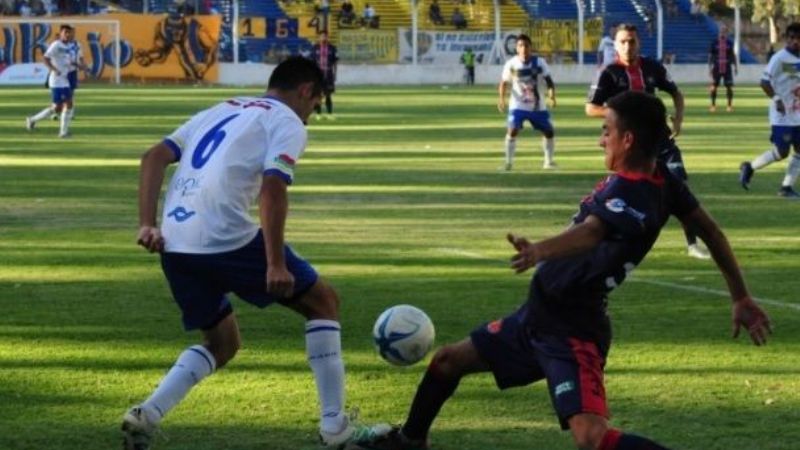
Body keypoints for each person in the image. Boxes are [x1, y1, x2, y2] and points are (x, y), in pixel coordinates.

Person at [351, 91, 772, 450]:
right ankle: (410, 441)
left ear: (628, 139)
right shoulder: (661, 181)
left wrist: (540, 250)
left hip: (572, 331)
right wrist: (739, 295)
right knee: (446, 362)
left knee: (590, 436)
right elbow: (713, 233)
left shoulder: (636, 191)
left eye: (606, 130)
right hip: (535, 317)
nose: (599, 138)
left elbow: (592, 233)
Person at [120, 57, 389, 450]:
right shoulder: (286, 122)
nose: (312, 116)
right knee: (324, 302)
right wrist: (276, 262)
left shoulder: (222, 108)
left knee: (222, 343)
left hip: (175, 242)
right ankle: (335, 428)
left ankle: (147, 415)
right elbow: (273, 189)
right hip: (223, 237)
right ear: (305, 92)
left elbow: (153, 157)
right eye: (315, 105)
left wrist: (148, 224)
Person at [586, 23, 710, 260]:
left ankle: (693, 244)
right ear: (615, 45)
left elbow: (676, 93)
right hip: (629, 146)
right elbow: (590, 108)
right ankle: (608, 239)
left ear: (638, 42)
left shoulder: (653, 67)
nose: (627, 46)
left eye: (632, 41)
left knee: (679, 185)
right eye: (622, 41)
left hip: (660, 140)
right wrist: (621, 114)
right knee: (628, 193)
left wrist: (679, 120)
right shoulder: (609, 72)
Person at [739, 22, 800, 198]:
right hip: (781, 114)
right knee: (782, 152)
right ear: (786, 39)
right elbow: (764, 82)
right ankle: (750, 167)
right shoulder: (779, 58)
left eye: (798, 38)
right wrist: (777, 99)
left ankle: (786, 187)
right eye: (792, 38)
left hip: (797, 112)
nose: (795, 41)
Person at [498, 33, 557, 171]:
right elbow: (504, 82)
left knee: (549, 132)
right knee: (512, 130)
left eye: (526, 45)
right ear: (517, 49)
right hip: (518, 105)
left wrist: (552, 96)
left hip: (537, 106)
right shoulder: (511, 64)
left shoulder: (540, 62)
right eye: (520, 45)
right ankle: (508, 163)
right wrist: (501, 98)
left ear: (531, 47)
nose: (523, 48)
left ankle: (548, 162)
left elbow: (549, 81)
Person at [25, 24, 75, 138]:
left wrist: (79, 66)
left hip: (64, 80)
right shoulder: (56, 44)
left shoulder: (68, 46)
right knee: (63, 105)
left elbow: (66, 61)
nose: (67, 34)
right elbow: (45, 58)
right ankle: (63, 133)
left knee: (61, 106)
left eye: (69, 32)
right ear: (61, 33)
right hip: (57, 80)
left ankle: (32, 120)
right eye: (65, 32)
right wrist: (54, 70)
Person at [708, 24, 737, 113]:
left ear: (726, 33)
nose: (722, 33)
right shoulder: (714, 42)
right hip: (716, 67)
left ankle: (729, 106)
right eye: (721, 31)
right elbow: (710, 56)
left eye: (724, 31)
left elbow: (732, 55)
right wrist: (710, 67)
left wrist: (735, 66)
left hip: (727, 67)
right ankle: (713, 105)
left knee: (729, 87)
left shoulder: (729, 43)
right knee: (713, 87)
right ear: (719, 32)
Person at [311, 31, 338, 120]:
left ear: (327, 37)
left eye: (325, 37)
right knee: (317, 95)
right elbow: (312, 62)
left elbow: (335, 63)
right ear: (319, 38)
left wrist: (334, 74)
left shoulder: (332, 48)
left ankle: (329, 114)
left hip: (328, 75)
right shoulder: (315, 48)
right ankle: (318, 114)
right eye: (322, 36)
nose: (323, 38)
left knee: (328, 95)